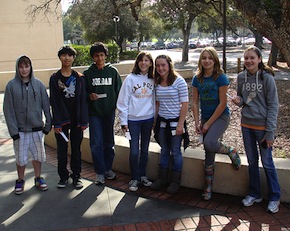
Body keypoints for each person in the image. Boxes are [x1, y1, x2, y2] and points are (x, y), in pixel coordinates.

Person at [232, 46, 280, 213]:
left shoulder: (267, 78)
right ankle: (255, 193)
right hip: (247, 126)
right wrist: (238, 101)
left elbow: (273, 106)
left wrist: (270, 132)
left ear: (260, 59)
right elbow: (243, 101)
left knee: (267, 162)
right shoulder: (241, 77)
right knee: (252, 161)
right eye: (246, 58)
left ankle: (274, 197)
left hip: (263, 128)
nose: (249, 61)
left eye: (252, 58)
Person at [191, 47, 241, 201]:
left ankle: (230, 150)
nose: (206, 61)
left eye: (210, 58)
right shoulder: (197, 78)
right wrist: (198, 123)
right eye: (204, 58)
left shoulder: (221, 78)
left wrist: (208, 125)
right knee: (209, 150)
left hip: (220, 117)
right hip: (205, 117)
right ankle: (208, 186)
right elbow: (194, 102)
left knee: (210, 142)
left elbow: (222, 104)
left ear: (215, 60)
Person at [3, 55, 52, 194]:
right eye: (21, 66)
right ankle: (20, 180)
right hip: (20, 131)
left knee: (38, 156)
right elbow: (8, 110)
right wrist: (13, 132)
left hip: (37, 129)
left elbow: (46, 106)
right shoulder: (11, 86)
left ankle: (38, 178)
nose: (24, 69)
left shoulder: (39, 85)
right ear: (17, 68)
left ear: (31, 67)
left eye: (27, 66)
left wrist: (48, 125)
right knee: (21, 158)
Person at [49, 46, 89, 189]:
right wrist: (56, 123)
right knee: (61, 150)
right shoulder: (54, 78)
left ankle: (77, 176)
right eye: (64, 55)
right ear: (60, 57)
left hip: (77, 120)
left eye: (70, 55)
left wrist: (84, 120)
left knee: (76, 149)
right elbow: (54, 101)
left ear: (73, 58)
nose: (67, 58)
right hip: (61, 120)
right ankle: (63, 177)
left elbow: (83, 99)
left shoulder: (79, 78)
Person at [83, 42, 122, 185]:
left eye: (101, 55)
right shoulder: (88, 73)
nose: (99, 58)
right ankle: (99, 172)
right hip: (94, 114)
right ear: (92, 57)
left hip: (109, 112)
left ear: (105, 55)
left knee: (109, 142)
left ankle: (108, 169)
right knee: (96, 143)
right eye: (96, 56)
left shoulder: (112, 72)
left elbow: (120, 91)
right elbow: (83, 93)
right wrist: (89, 96)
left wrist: (120, 110)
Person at [150, 54, 189, 194]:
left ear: (169, 65)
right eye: (158, 65)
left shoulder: (179, 82)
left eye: (163, 65)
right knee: (164, 150)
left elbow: (185, 104)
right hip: (162, 122)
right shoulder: (157, 82)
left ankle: (175, 181)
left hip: (175, 122)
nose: (160, 68)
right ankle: (162, 179)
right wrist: (154, 121)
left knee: (176, 151)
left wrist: (180, 124)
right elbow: (157, 103)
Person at [117, 51, 155, 192]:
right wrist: (123, 121)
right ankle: (134, 178)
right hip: (133, 121)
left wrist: (154, 119)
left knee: (145, 150)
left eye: (147, 60)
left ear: (151, 63)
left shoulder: (153, 79)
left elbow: (154, 100)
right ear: (137, 62)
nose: (143, 63)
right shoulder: (130, 79)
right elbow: (122, 102)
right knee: (134, 151)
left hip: (148, 120)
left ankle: (143, 176)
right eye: (141, 60)